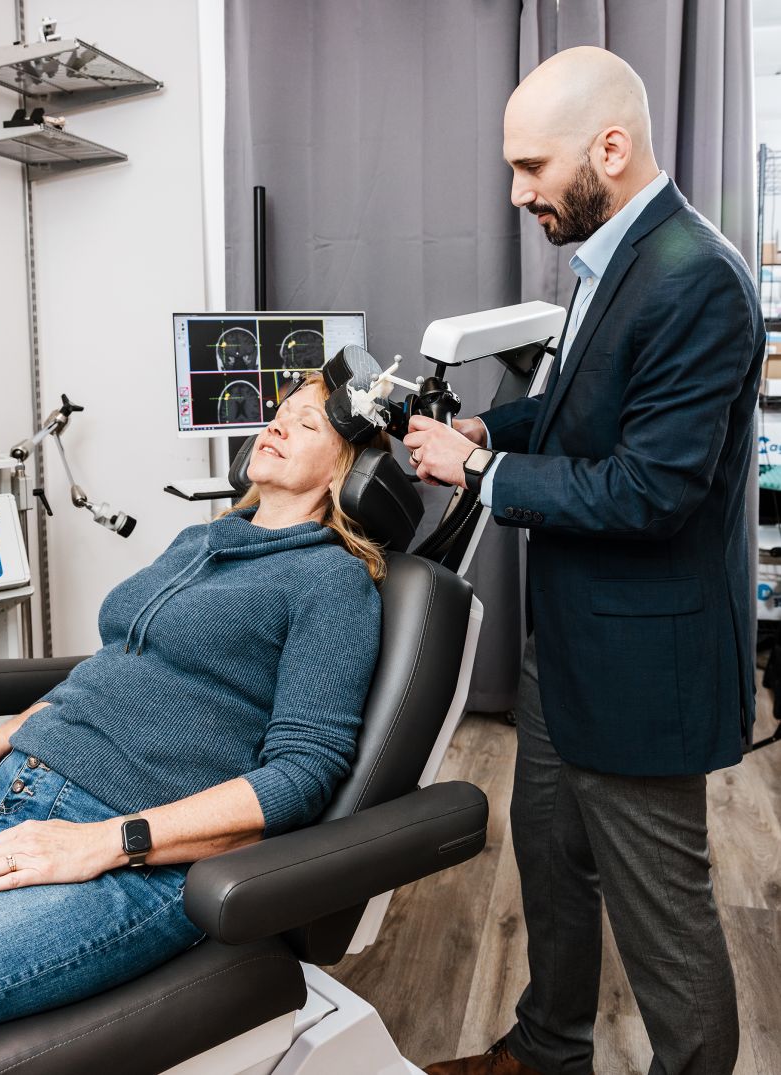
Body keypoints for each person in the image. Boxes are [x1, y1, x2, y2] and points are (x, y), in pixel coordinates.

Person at [409, 47, 765, 1075]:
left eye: (530, 167)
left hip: (640, 669)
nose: (517, 192)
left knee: (668, 924)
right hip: (566, 651)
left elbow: (649, 491)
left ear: (607, 148)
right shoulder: (620, 257)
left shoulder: (695, 282)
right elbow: (577, 413)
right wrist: (484, 431)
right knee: (554, 865)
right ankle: (545, 1051)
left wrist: (480, 479)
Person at [0, 374, 385, 1052]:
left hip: (124, 847)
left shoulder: (331, 580)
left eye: (308, 424)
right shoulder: (199, 541)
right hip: (3, 782)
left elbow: (303, 773)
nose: (276, 426)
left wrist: (109, 841)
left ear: (348, 474)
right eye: (279, 414)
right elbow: (113, 666)